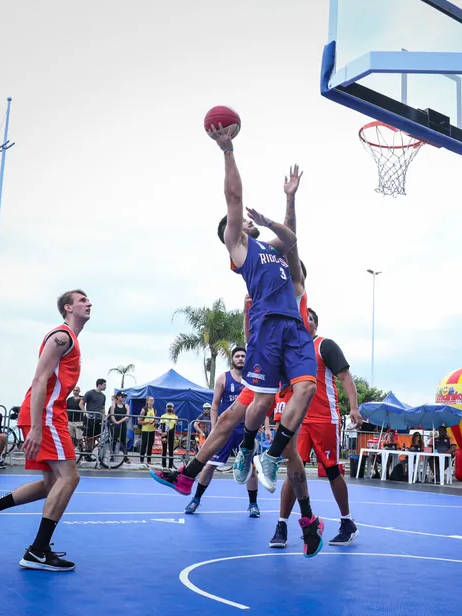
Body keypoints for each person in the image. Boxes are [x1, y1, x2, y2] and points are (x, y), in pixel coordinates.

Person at [152, 144, 323, 557]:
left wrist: (289, 199)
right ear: (235, 231)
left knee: (290, 456)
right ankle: (195, 473)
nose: (247, 219)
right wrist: (227, 150)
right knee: (232, 415)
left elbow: (293, 239)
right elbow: (234, 201)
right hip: (270, 350)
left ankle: (303, 518)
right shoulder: (246, 251)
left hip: (288, 351)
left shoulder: (290, 275)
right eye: (243, 220)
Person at [0, 289, 91, 572]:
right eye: (82, 300)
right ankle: (38, 550)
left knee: (50, 485)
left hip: (47, 414)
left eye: (88, 299)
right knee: (70, 478)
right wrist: (35, 426)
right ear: (68, 308)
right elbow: (39, 377)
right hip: (45, 415)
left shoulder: (71, 340)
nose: (88, 303)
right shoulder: (62, 336)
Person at [271, 308, 363, 548]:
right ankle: (281, 525)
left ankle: (347, 522)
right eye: (303, 316)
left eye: (309, 318)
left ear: (315, 325)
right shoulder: (290, 350)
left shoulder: (325, 345)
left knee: (332, 470)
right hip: (298, 420)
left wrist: (354, 407)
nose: (305, 320)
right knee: (293, 473)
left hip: (324, 418)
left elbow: (345, 377)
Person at [183, 347, 262, 517]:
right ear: (232, 359)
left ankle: (253, 504)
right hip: (227, 429)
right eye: (237, 356)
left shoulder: (253, 379)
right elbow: (215, 405)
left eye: (243, 356)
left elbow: (260, 403)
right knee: (210, 465)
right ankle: (195, 499)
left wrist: (260, 422)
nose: (241, 358)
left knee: (251, 468)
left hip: (246, 430)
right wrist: (214, 428)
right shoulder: (223, 378)